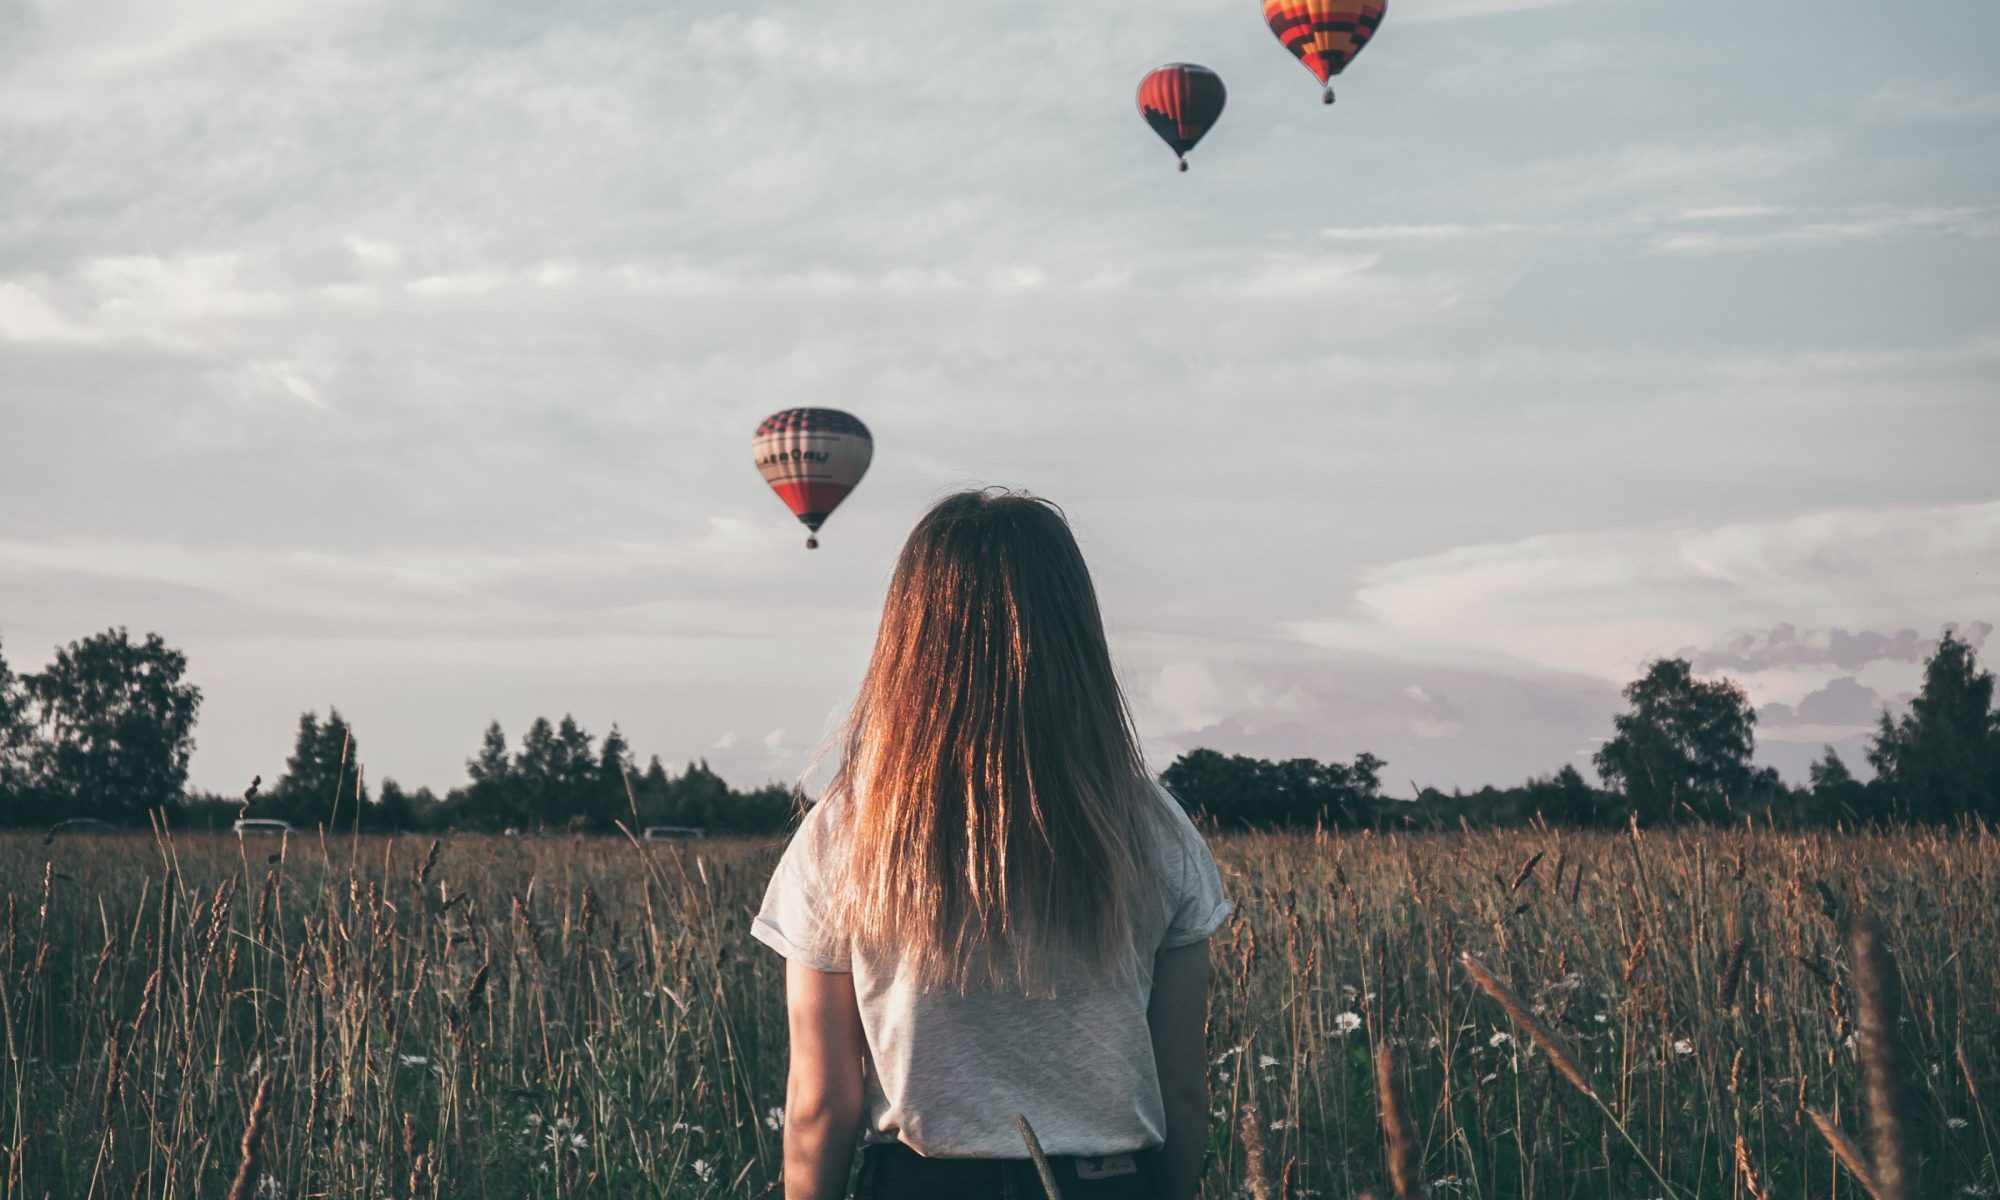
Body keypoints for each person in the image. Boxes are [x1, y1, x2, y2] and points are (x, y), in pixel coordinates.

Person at [753, 490, 1232, 1200]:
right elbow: (1184, 1093)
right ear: (1074, 630)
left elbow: (820, 1105)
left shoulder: (845, 830)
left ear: (909, 635)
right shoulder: (1153, 826)